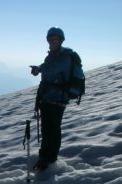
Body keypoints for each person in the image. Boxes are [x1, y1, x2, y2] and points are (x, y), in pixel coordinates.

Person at [30, 27, 84, 171]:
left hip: (57, 98)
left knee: (52, 130)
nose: (52, 41)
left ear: (61, 40)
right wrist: (39, 68)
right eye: (50, 39)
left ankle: (50, 159)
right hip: (49, 97)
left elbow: (53, 68)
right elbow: (49, 66)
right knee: (48, 129)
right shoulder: (54, 55)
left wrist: (40, 69)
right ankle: (44, 156)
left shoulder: (64, 56)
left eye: (55, 39)